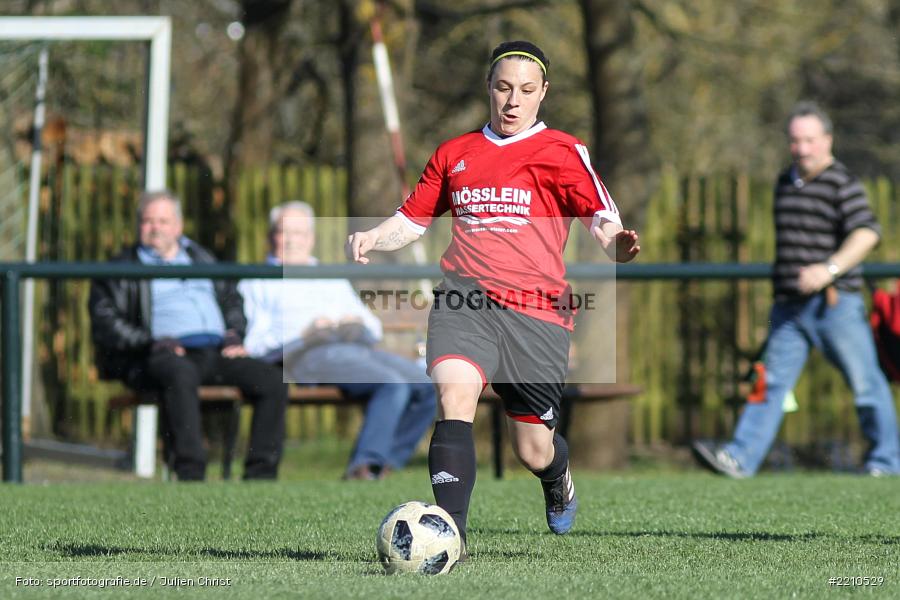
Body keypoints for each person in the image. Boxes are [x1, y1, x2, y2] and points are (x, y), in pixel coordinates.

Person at [346, 41, 640, 545]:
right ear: (488, 87)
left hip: (536, 314)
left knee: (532, 448)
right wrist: (375, 235)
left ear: (543, 93)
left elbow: (601, 216)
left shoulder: (563, 152)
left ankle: (556, 475)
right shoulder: (455, 154)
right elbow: (412, 219)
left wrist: (618, 245)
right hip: (465, 301)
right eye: (503, 88)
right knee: (454, 394)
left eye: (526, 90)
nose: (513, 100)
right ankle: (450, 535)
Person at [692, 101, 900, 478]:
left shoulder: (843, 182)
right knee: (767, 384)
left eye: (809, 140)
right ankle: (740, 458)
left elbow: (868, 232)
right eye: (795, 141)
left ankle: (887, 461)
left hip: (834, 306)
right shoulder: (785, 181)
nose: (802, 148)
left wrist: (829, 269)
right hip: (789, 307)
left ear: (827, 140)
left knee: (866, 383)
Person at [89, 190, 288, 481]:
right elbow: (106, 320)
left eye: (163, 220)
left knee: (273, 381)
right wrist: (150, 341)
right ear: (138, 225)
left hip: (217, 350)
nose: (156, 227)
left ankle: (260, 476)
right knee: (179, 374)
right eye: (148, 221)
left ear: (178, 226)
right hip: (159, 355)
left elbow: (232, 300)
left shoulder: (201, 258)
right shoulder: (121, 268)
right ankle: (191, 473)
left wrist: (235, 333)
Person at [238, 201, 437, 480]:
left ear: (311, 239)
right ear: (271, 236)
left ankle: (385, 464)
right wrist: (305, 335)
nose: (292, 240)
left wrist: (355, 326)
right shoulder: (257, 280)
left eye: (300, 233)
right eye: (285, 232)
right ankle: (363, 468)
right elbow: (255, 342)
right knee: (392, 384)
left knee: (427, 384)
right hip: (304, 354)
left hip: (352, 348)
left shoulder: (327, 274)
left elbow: (371, 326)